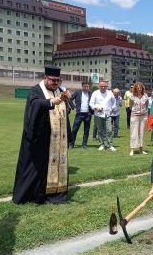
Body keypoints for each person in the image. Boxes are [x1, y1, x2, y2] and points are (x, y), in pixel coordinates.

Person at [13, 65, 68, 204]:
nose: (55, 83)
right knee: (36, 167)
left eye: (58, 81)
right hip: (39, 137)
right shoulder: (35, 90)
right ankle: (34, 194)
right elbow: (34, 105)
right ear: (45, 78)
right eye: (53, 80)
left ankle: (55, 191)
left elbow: (64, 112)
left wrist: (67, 101)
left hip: (55, 138)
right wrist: (49, 102)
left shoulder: (59, 91)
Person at [89, 81, 117, 151]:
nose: (103, 87)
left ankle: (110, 145)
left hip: (107, 114)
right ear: (99, 86)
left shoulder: (110, 93)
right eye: (102, 86)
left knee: (109, 130)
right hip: (98, 114)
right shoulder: (95, 93)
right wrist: (96, 107)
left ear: (107, 86)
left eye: (105, 86)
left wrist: (112, 109)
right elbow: (91, 103)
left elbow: (114, 102)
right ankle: (101, 144)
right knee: (100, 130)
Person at [69, 81, 93, 149]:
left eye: (87, 86)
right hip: (79, 114)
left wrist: (91, 112)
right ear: (82, 86)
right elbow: (69, 99)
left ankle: (84, 144)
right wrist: (73, 107)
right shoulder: (77, 92)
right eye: (85, 86)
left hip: (88, 114)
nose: (86, 88)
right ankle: (72, 144)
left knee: (86, 130)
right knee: (74, 129)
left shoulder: (90, 93)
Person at [129, 82, 149, 156]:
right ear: (135, 89)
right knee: (134, 132)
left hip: (143, 116)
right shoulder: (132, 96)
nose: (139, 89)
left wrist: (144, 112)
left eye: (140, 88)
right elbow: (130, 106)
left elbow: (147, 105)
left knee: (142, 133)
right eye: (137, 88)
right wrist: (135, 111)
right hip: (135, 116)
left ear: (142, 88)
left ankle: (141, 149)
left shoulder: (145, 96)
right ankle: (132, 149)